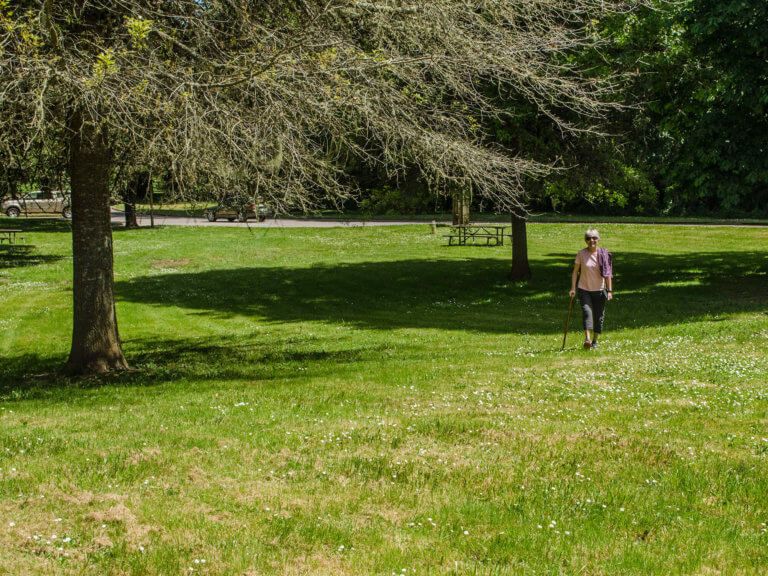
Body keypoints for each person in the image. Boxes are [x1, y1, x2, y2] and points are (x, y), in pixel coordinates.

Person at [569, 228, 613, 349]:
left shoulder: (604, 254)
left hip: (599, 290)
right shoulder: (581, 254)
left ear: (598, 239)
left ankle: (595, 340)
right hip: (584, 289)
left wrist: (609, 291)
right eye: (588, 238)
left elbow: (608, 274)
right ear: (585, 240)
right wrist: (573, 288)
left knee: (599, 316)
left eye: (594, 238)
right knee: (587, 313)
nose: (591, 240)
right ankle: (587, 339)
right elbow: (575, 272)